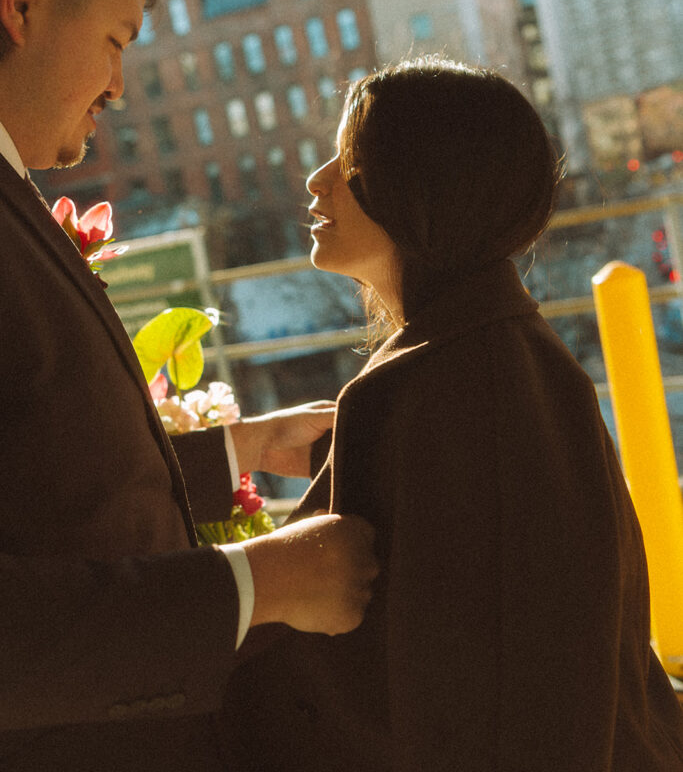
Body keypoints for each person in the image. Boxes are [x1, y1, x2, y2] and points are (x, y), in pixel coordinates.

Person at [0, 0, 379, 772]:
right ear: (22, 1)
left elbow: (20, 475)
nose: (118, 87)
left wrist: (234, 454)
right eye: (117, 38)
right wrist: (258, 584)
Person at [219, 57, 683, 771]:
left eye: (347, 161)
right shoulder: (474, 360)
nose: (317, 183)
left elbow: (506, 690)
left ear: (420, 185)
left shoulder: (459, 379)